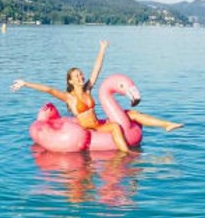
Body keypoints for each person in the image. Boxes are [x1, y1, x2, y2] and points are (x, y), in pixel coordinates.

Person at [11, 41, 182, 152]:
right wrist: (26, 83)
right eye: (76, 76)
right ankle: (127, 154)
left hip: (98, 124)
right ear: (70, 80)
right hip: (89, 129)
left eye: (80, 74)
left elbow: (97, 69)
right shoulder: (69, 97)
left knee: (132, 114)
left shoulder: (87, 90)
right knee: (115, 127)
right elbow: (48, 89)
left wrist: (102, 49)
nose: (80, 77)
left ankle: (166, 124)